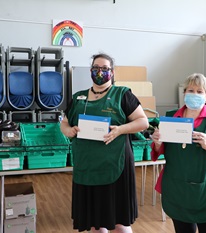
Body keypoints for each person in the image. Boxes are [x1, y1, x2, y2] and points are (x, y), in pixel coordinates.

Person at [60, 53, 149, 233]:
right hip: (87, 166)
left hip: (115, 164)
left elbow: (143, 122)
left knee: (118, 220)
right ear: (91, 71)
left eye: (104, 68)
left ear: (112, 72)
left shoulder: (123, 94)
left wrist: (120, 130)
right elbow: (64, 122)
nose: (99, 72)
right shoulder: (79, 97)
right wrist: (68, 130)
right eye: (96, 68)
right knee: (95, 219)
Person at [151, 73, 206, 233]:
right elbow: (161, 150)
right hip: (178, 190)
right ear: (184, 93)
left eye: (200, 91)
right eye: (190, 90)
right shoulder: (172, 117)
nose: (195, 94)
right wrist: (157, 143)